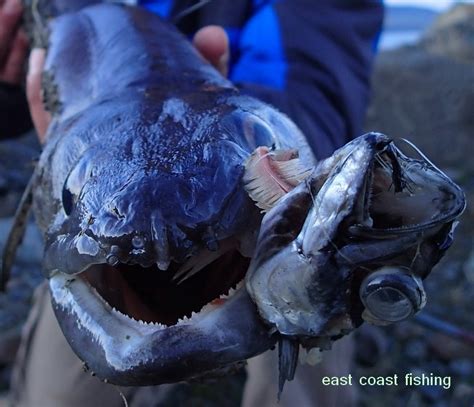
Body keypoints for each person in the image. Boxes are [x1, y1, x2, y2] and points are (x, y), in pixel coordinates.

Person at [0, 0, 383, 405]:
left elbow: (315, 90)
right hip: (105, 241)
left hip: (270, 229)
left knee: (307, 337)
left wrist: (239, 164)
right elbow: (18, 110)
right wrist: (8, 91)